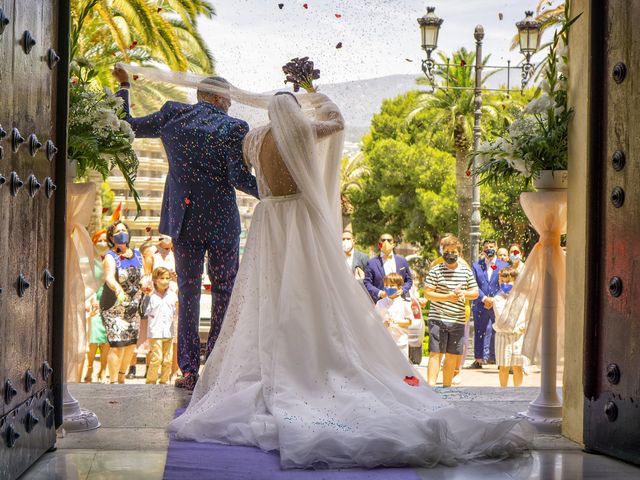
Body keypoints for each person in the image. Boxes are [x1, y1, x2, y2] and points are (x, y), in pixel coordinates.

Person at [164, 85, 529, 468]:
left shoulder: (254, 138)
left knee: (264, 297)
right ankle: (311, 362)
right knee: (310, 293)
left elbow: (241, 163)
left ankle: (275, 362)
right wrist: (314, 94)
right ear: (294, 111)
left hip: (268, 222)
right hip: (300, 221)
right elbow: (336, 121)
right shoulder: (304, 131)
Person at [113, 66, 260, 391]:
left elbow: (128, 127)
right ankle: (217, 369)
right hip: (222, 224)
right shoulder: (234, 127)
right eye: (229, 100)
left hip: (185, 223)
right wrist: (273, 192)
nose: (230, 106)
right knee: (223, 291)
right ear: (221, 97)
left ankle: (190, 372)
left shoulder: (172, 115)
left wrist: (124, 86)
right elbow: (238, 179)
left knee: (190, 295)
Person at [423, 236, 479, 387]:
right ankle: (431, 387)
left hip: (458, 320)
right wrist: (447, 297)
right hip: (438, 318)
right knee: (435, 354)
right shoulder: (436, 270)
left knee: (452, 355)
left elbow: (475, 292)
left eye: (453, 251)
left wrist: (464, 294)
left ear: (460, 254)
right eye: (447, 251)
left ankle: (447, 388)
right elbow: (427, 293)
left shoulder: (466, 272)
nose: (450, 254)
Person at [100, 221, 149, 384]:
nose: (121, 233)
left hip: (133, 307)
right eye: (117, 231)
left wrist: (145, 285)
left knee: (130, 345)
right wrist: (118, 289)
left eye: (124, 230)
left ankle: (121, 379)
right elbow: (108, 277)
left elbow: (142, 276)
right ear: (111, 237)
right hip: (114, 307)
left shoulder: (137, 253)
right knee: (118, 344)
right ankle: (113, 381)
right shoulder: (110, 256)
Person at [467, 239, 509, 369]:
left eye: (491, 246)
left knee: (499, 332)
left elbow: (505, 284)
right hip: (481, 303)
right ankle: (478, 359)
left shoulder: (502, 265)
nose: (488, 249)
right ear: (483, 249)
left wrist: (494, 300)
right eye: (486, 247)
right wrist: (485, 298)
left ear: (496, 247)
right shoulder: (477, 265)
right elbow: (473, 284)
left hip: (498, 304)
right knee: (479, 331)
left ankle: (500, 360)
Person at [493, 268, 527, 387]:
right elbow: (502, 317)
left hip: (518, 336)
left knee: (517, 366)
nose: (505, 284)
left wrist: (524, 325)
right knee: (504, 366)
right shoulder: (498, 298)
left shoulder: (523, 297)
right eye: (502, 281)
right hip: (503, 335)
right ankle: (504, 391)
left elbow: (525, 314)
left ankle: (517, 391)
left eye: (508, 282)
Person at [145, 267, 178, 384]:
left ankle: (164, 381)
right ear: (155, 279)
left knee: (168, 359)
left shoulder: (173, 295)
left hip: (168, 331)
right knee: (157, 358)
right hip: (155, 332)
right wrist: (146, 297)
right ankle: (151, 381)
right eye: (162, 278)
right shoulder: (151, 296)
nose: (165, 281)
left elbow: (177, 310)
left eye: (167, 278)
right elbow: (143, 311)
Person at [363, 233, 413, 302]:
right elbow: (367, 283)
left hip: (400, 301)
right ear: (379, 244)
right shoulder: (371, 263)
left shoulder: (402, 261)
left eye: (389, 240)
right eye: (383, 240)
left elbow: (409, 280)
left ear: (393, 244)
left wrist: (402, 290)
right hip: (380, 302)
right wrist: (380, 293)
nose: (386, 243)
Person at [375, 273, 413, 357]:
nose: (388, 288)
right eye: (386, 285)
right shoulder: (380, 303)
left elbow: (409, 321)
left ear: (399, 287)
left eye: (392, 285)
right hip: (384, 342)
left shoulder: (404, 303)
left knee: (401, 366)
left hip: (401, 341)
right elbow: (375, 321)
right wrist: (383, 324)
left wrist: (396, 322)